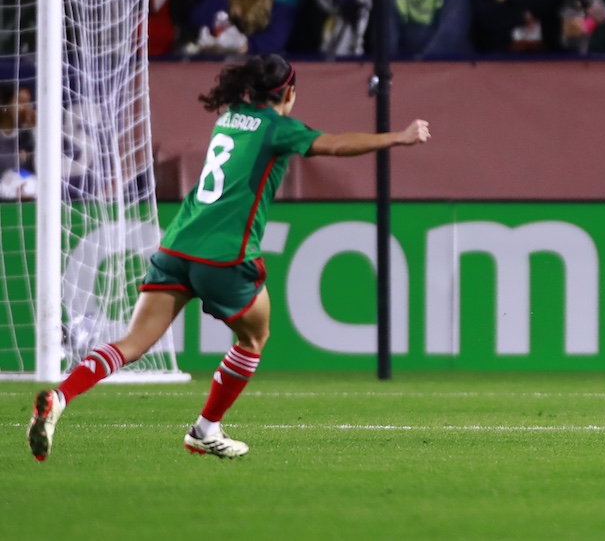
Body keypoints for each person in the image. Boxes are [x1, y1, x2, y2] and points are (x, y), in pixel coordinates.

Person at [26, 54, 432, 462]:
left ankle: (61, 397)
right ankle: (205, 428)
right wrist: (399, 136)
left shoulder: (231, 116)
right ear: (288, 92)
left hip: (177, 245)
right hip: (224, 255)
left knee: (132, 343)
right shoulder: (279, 128)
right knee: (255, 337)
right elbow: (337, 144)